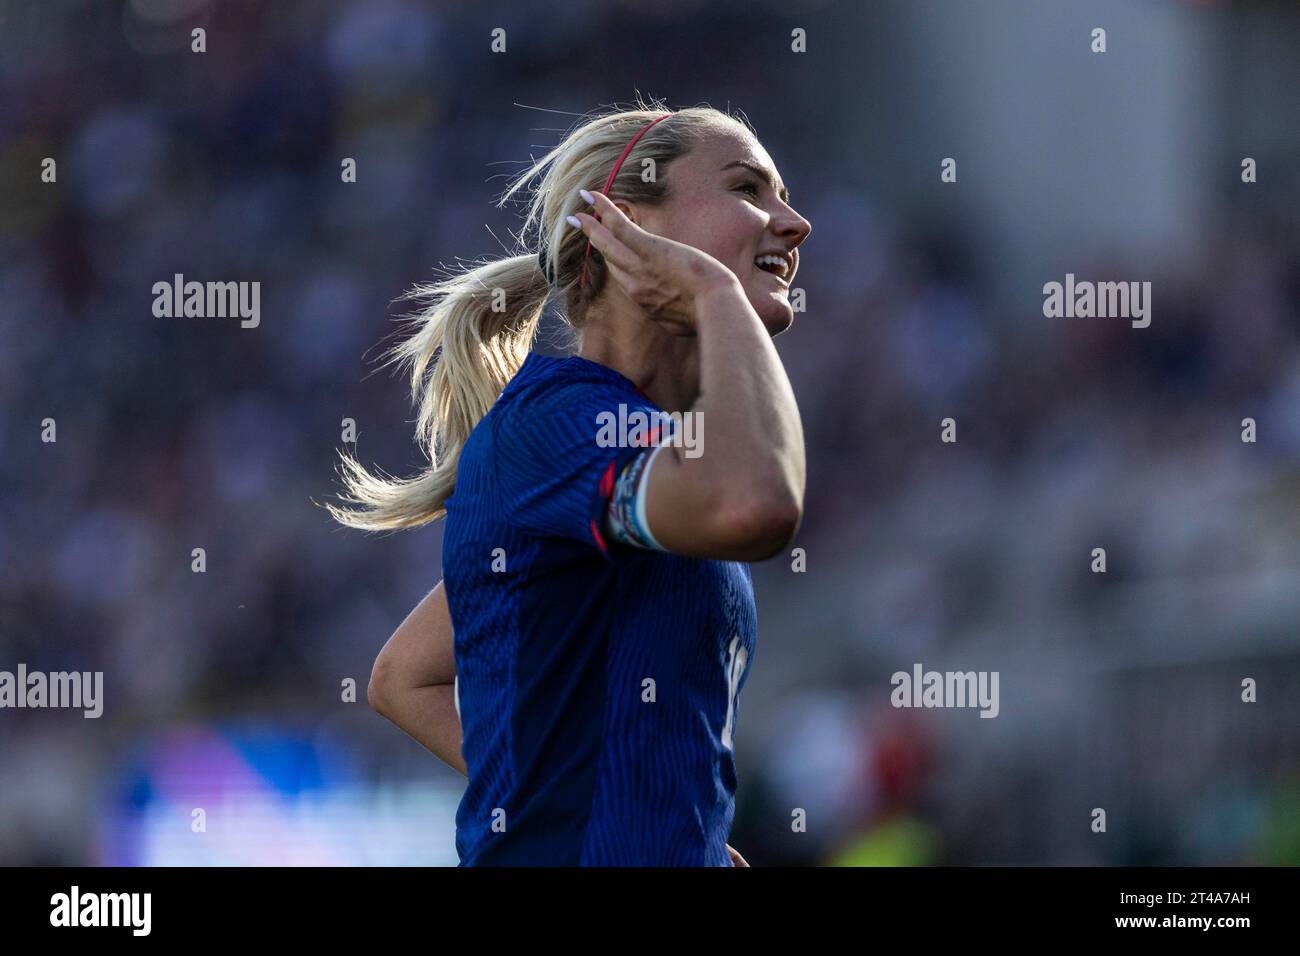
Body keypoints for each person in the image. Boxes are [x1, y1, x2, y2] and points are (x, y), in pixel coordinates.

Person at [329, 100, 812, 865]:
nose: (793, 222)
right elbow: (757, 503)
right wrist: (717, 296)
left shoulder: (637, 451)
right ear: (627, 226)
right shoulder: (557, 424)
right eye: (749, 188)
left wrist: (672, 822)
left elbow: (404, 676)